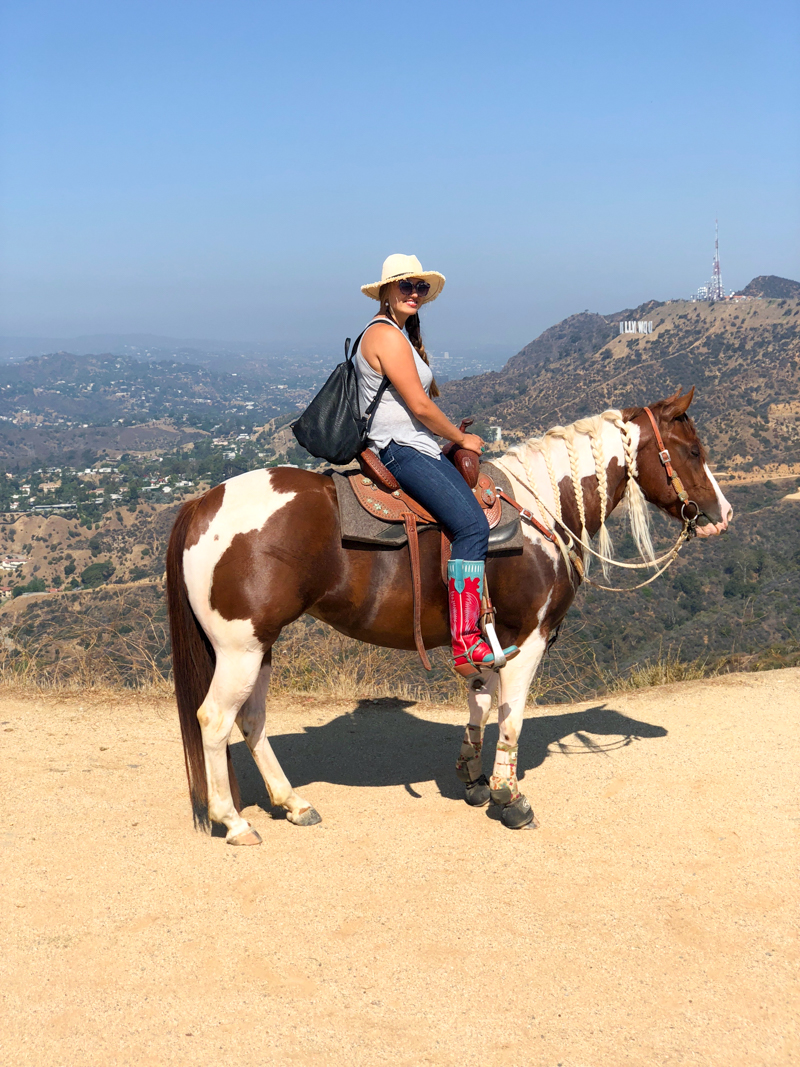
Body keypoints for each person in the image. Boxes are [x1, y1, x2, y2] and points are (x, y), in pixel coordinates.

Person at [356, 253, 518, 679]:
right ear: (386, 291)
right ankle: (466, 641)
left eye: (420, 287)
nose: (413, 293)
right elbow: (421, 406)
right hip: (400, 449)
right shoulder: (386, 336)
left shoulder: (398, 334)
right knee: (471, 527)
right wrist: (461, 438)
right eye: (405, 285)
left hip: (415, 446)